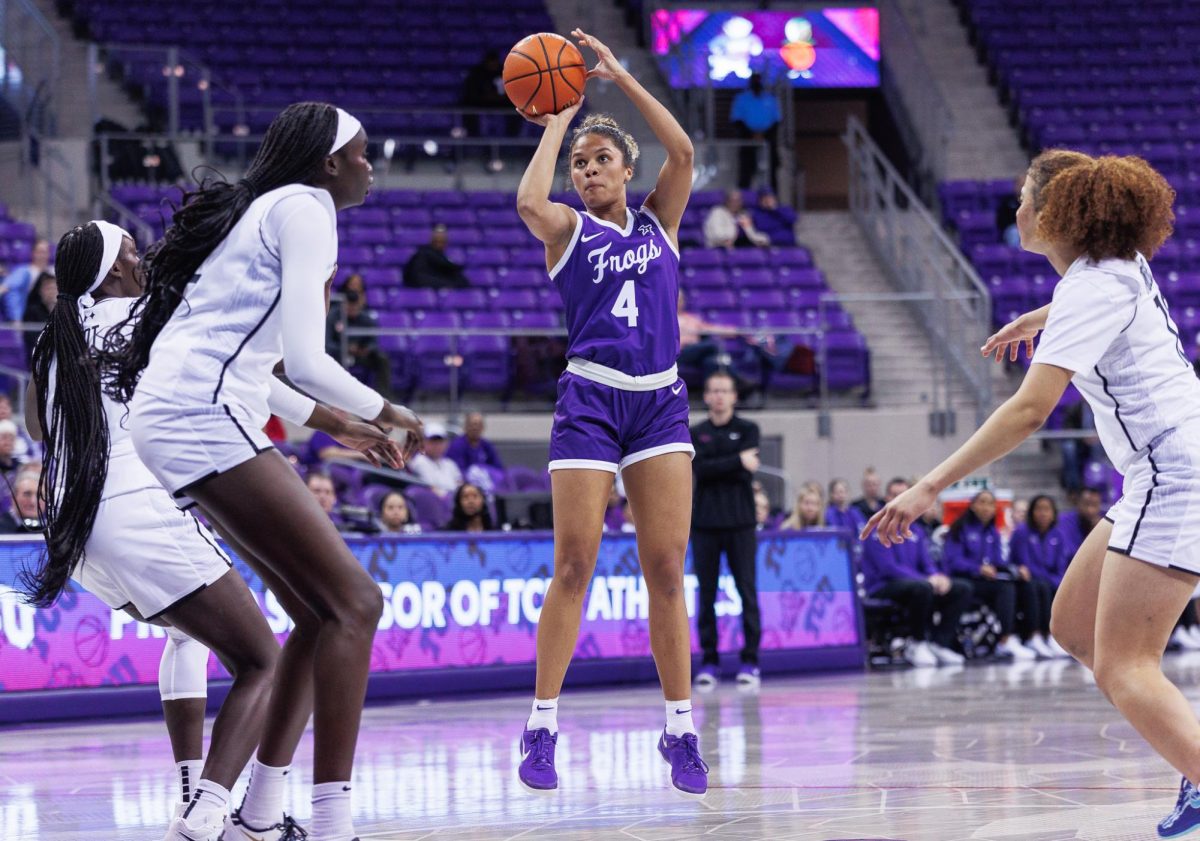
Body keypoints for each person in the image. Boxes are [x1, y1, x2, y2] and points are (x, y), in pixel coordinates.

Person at [103, 103, 423, 841]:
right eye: (364, 152)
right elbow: (307, 362)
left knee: (318, 614)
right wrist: (391, 408)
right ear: (328, 161)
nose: (373, 165)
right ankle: (335, 818)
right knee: (357, 602)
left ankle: (256, 811)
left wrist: (344, 423)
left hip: (184, 412)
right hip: (197, 414)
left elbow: (258, 366)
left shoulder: (265, 210)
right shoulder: (306, 208)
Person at [862, 150, 1200, 839]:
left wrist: (929, 485)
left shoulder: (1092, 286)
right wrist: (1040, 318)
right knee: (1073, 625)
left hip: (1176, 474)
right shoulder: (1112, 267)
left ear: (1054, 214)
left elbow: (1028, 411)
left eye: (1023, 197)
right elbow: (1093, 300)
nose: (1014, 209)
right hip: (1161, 473)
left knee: (1126, 667)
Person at [17, 221, 283, 839]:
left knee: (188, 636)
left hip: (71, 524)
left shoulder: (51, 338)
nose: (142, 260)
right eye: (132, 252)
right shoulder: (143, 314)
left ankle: (191, 789)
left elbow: (35, 428)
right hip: (131, 505)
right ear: (111, 272)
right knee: (262, 661)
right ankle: (213, 814)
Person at [514, 29, 708, 797]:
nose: (588, 170)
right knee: (575, 563)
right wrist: (559, 112)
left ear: (627, 170)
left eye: (601, 160)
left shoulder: (661, 219)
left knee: (666, 567)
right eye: (580, 164)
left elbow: (686, 152)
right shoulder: (569, 229)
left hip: (659, 401)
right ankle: (541, 722)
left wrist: (622, 77)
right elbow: (529, 199)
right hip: (591, 399)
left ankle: (681, 727)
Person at [689, 371, 762, 688]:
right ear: (706, 396)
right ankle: (709, 660)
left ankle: (750, 661)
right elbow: (699, 470)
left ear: (734, 396)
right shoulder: (695, 432)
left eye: (724, 390)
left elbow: (740, 469)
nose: (719, 396)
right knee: (706, 595)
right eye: (713, 390)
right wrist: (736, 462)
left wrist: (719, 465)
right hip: (705, 523)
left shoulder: (749, 429)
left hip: (741, 523)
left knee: (747, 591)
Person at [862, 477, 970, 666]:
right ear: (887, 498)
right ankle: (917, 643)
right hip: (882, 585)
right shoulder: (877, 528)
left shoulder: (916, 530)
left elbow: (926, 562)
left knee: (961, 588)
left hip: (915, 584)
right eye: (895, 495)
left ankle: (939, 643)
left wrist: (936, 576)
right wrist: (927, 580)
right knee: (922, 588)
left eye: (904, 495)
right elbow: (888, 568)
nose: (900, 499)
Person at [941, 490, 1037, 660]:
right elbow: (953, 561)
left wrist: (1015, 569)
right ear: (972, 506)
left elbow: (999, 561)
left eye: (991, 504)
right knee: (1004, 588)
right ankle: (1005, 639)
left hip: (986, 581)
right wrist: (978, 568)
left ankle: (1033, 636)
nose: (986, 507)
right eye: (982, 502)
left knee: (1025, 584)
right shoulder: (959, 528)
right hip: (964, 580)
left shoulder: (993, 531)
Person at [1008, 494, 1071, 658]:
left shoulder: (1058, 535)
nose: (1043, 513)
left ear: (1053, 513)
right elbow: (1025, 564)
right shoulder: (1022, 532)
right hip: (1026, 581)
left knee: (1060, 588)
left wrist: (1056, 581)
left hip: (1048, 580)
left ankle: (1053, 636)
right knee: (1039, 586)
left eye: (1047, 509)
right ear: (1032, 512)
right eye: (1039, 509)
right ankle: (1034, 635)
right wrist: (1049, 579)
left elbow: (1061, 566)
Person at [326, 273, 391, 397]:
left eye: (355, 303)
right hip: (338, 356)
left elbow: (373, 340)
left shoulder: (366, 318)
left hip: (360, 355)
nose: (352, 307)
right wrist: (345, 348)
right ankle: (336, 399)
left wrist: (366, 349)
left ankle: (383, 398)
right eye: (349, 303)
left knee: (381, 359)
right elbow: (327, 344)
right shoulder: (334, 316)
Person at [729, 74, 780, 190]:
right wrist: (752, 135)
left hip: (767, 139)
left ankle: (772, 200)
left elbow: (776, 121)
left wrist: (763, 135)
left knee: (772, 171)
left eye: (759, 80)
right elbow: (737, 120)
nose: (757, 83)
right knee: (746, 170)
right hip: (747, 140)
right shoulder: (741, 99)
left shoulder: (770, 99)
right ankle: (745, 201)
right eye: (754, 81)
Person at [402, 224, 469, 289]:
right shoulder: (423, 254)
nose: (440, 244)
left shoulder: (441, 258)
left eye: (442, 241)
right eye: (437, 241)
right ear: (432, 240)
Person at [408, 421, 463, 498]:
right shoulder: (419, 461)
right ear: (423, 442)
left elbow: (460, 485)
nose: (437, 445)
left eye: (440, 441)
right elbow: (433, 489)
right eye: (433, 441)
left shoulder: (450, 464)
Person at [2, 237, 50, 323]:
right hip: (29, 317)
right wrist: (17, 319)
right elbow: (5, 288)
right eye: (40, 252)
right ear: (33, 253)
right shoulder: (24, 271)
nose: (43, 255)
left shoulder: (53, 272)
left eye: (45, 252)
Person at [703, 189, 769, 249]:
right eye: (732, 200)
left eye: (738, 201)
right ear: (726, 201)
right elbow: (716, 234)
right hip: (720, 246)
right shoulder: (717, 212)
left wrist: (762, 239)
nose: (735, 204)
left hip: (742, 245)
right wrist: (727, 239)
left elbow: (751, 234)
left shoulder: (744, 215)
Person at [22, 270, 57, 364]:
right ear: (40, 291)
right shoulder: (32, 311)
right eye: (48, 288)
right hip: (39, 358)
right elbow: (32, 339)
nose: (51, 291)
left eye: (54, 288)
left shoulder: (63, 311)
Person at [1057, 485, 1102, 559]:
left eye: (1095, 505)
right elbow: (1069, 553)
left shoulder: (1102, 524)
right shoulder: (1064, 521)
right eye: (1086, 504)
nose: (1090, 510)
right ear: (1078, 503)